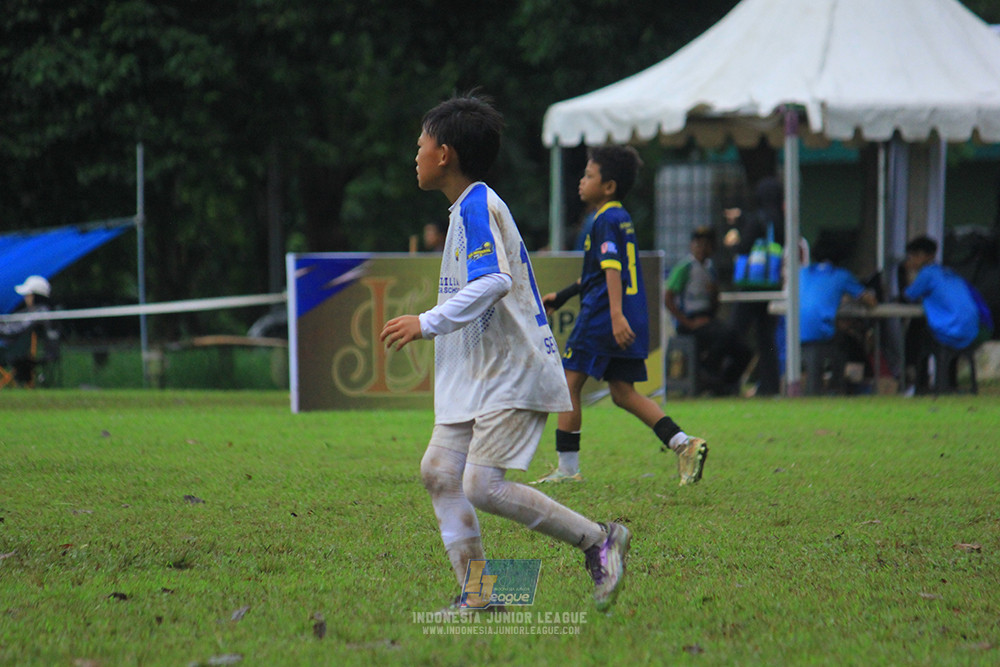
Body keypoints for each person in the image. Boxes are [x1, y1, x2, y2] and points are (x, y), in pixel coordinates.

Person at [379, 94, 630, 614]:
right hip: (482, 377)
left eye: (420, 145)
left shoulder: (475, 203)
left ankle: (598, 539)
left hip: (511, 375)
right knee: (440, 472)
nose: (416, 154)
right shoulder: (467, 207)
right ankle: (478, 595)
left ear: (444, 153)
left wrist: (426, 321)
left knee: (481, 485)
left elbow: (493, 280)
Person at [533, 145, 708, 487]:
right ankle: (685, 444)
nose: (582, 182)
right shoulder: (621, 218)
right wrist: (564, 296)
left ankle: (568, 470)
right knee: (623, 392)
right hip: (626, 314)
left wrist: (613, 315)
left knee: (568, 383)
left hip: (604, 316)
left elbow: (612, 268)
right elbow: (599, 272)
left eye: (589, 175)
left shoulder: (603, 219)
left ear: (609, 186)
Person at [665, 226, 752, 395]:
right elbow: (668, 298)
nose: (702, 249)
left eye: (706, 245)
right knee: (723, 336)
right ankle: (706, 375)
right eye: (698, 244)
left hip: (708, 319)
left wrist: (714, 294)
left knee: (741, 347)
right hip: (690, 321)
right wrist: (687, 322)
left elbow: (714, 304)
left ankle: (724, 383)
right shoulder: (685, 268)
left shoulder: (710, 269)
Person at [726, 177, 784, 396]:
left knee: (734, 333)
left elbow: (743, 248)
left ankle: (729, 380)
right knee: (766, 338)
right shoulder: (781, 221)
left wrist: (733, 242)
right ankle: (770, 387)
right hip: (771, 286)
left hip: (751, 287)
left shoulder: (756, 219)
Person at [798, 237, 877, 395]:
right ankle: (839, 386)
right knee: (848, 341)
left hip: (796, 332)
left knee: (835, 338)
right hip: (819, 334)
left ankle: (832, 386)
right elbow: (871, 301)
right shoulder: (841, 275)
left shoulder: (803, 273)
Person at [901, 236, 981, 391]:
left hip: (951, 330)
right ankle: (949, 382)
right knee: (924, 333)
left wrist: (909, 271)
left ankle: (919, 383)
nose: (912, 260)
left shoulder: (927, 274)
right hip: (970, 329)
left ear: (926, 256)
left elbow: (909, 294)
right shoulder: (948, 272)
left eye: (914, 256)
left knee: (915, 335)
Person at [0, 275, 55, 386]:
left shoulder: (39, 312)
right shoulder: (36, 311)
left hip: (14, 351)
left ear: (37, 296)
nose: (26, 298)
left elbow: (13, 331)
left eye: (28, 295)